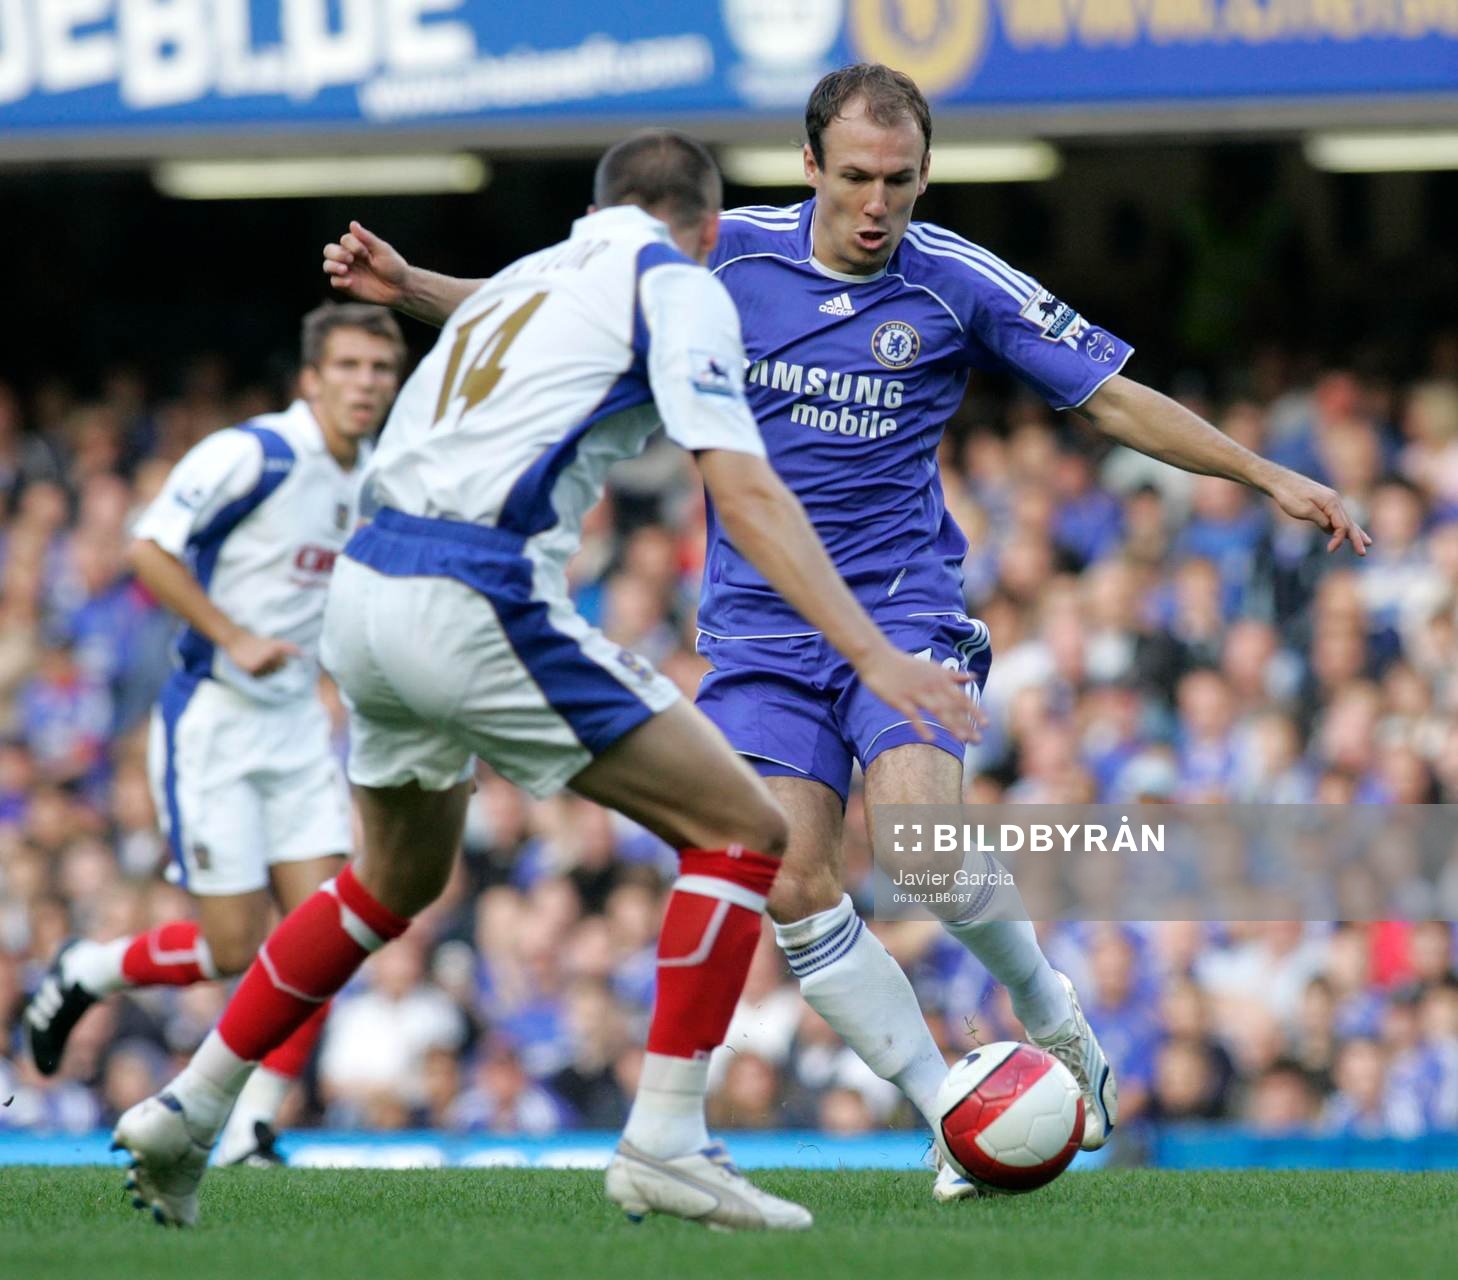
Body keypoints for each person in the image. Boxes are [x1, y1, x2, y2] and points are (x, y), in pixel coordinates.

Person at [319, 66, 1371, 1197]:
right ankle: (947, 1106)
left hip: (904, 608)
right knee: (790, 877)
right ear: (810, 164)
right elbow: (548, 312)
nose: (879, 204)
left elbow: (1108, 395)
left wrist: (1264, 472)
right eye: (859, 177)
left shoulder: (957, 280)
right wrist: (405, 282)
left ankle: (1052, 1011)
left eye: (903, 181)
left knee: (919, 841)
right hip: (760, 636)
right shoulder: (727, 255)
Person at [112, 130, 973, 1230]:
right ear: (708, 230)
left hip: (364, 593)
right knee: (746, 831)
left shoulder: (530, 275)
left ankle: (189, 1107)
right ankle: (666, 1138)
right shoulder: (681, 280)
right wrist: (872, 649)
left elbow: (494, 325)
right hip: (474, 588)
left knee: (388, 882)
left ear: (598, 208)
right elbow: (744, 492)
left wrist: (413, 281)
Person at [24, 304, 404, 1166]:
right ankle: (90, 968)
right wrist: (233, 635)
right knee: (235, 946)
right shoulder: (255, 454)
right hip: (214, 724)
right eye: (347, 366)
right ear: (312, 378)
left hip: (298, 727)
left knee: (331, 930)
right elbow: (149, 547)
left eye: (380, 370)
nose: (364, 384)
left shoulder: (375, 476)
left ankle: (255, 1126)